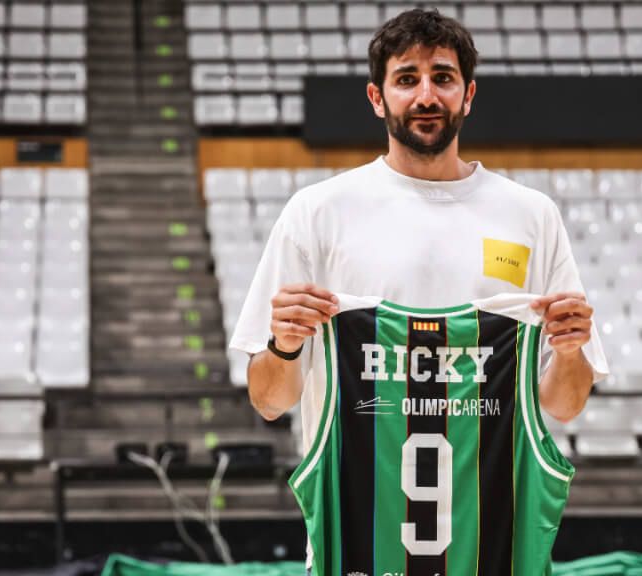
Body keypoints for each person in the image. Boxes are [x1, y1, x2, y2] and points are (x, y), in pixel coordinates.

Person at [228, 8, 609, 573]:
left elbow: (564, 404)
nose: (426, 95)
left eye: (443, 77)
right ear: (377, 97)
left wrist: (572, 350)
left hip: (491, 553)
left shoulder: (530, 215)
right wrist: (283, 346)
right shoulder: (318, 213)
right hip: (357, 551)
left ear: (468, 94)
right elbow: (268, 401)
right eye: (407, 78)